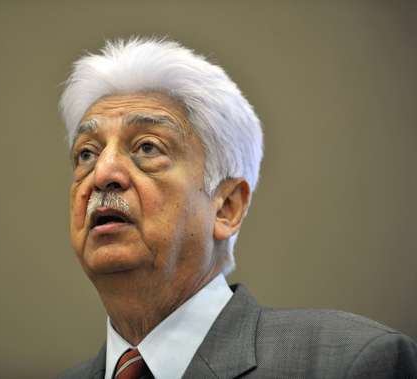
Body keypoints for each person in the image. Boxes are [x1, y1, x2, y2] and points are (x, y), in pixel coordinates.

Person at [58, 38, 417, 379]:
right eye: (87, 153)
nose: (102, 174)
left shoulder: (348, 362)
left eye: (148, 148)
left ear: (227, 207)